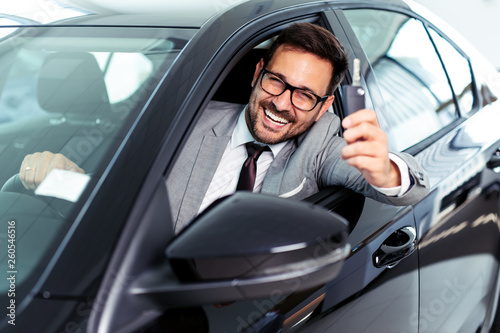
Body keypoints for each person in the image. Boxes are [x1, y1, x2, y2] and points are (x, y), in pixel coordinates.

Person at [19, 23, 429, 233]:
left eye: (304, 95)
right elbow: (130, 190)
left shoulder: (320, 144)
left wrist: (385, 170)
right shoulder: (188, 118)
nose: (282, 104)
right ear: (257, 74)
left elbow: (411, 185)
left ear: (323, 109)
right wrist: (70, 180)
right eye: (277, 81)